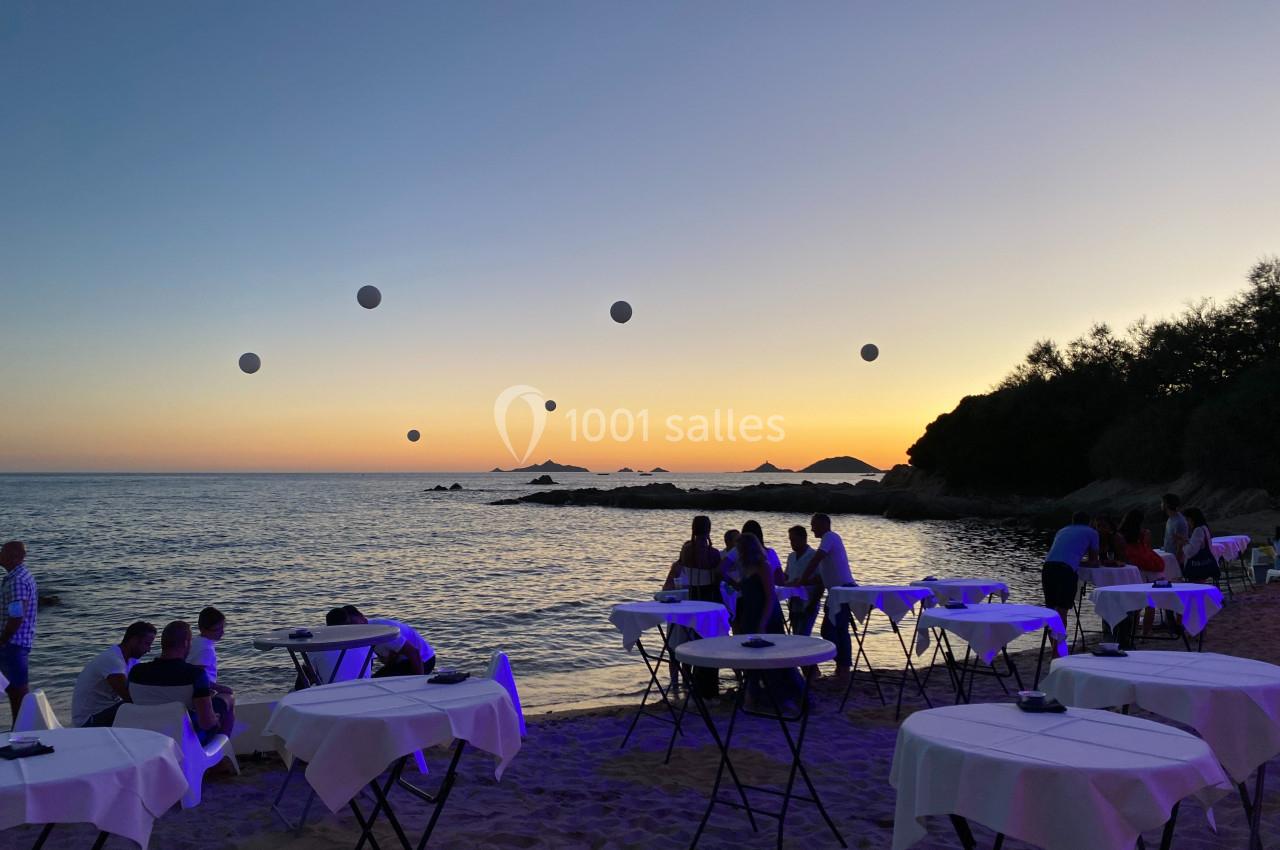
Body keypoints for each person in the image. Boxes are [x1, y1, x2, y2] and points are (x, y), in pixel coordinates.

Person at [128, 621, 231, 744]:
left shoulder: (136, 672)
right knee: (228, 698)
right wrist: (215, 718)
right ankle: (219, 755)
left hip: (146, 737)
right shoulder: (195, 675)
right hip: (184, 740)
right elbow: (206, 724)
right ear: (186, 643)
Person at [732, 534, 802, 711]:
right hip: (749, 614)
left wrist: (763, 622)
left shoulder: (764, 566)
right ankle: (751, 697)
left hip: (765, 615)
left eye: (740, 548)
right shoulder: (745, 567)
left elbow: (770, 596)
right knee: (751, 658)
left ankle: (786, 697)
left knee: (775, 659)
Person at [663, 516, 721, 698]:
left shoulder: (687, 550)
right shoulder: (714, 554)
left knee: (676, 645)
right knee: (697, 644)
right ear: (709, 530)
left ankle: (676, 684)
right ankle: (693, 682)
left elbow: (675, 577)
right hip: (706, 604)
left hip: (686, 605)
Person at [792, 514, 854, 678]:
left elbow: (815, 559)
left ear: (823, 524)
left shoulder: (829, 537)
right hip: (835, 591)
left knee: (834, 629)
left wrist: (803, 579)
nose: (812, 529)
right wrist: (805, 581)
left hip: (843, 590)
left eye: (814, 525)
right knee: (834, 630)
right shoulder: (828, 540)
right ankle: (842, 665)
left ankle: (843, 666)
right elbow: (823, 575)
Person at [71, 621, 156, 727]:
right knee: (138, 706)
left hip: (106, 711)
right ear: (134, 640)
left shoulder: (131, 660)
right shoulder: (113, 660)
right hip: (87, 722)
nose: (149, 650)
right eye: (147, 644)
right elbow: (130, 697)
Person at [1042, 512, 1100, 633]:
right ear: (1089, 522)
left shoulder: (1062, 530)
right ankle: (1058, 650)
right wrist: (1079, 562)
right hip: (1065, 569)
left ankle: (1055, 648)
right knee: (1062, 610)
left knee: (1051, 609)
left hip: (1048, 567)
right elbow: (1094, 561)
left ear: (1073, 521)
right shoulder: (1092, 532)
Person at [340, 605, 436, 676]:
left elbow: (414, 653)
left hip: (424, 660)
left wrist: (418, 682)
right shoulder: (363, 635)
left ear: (362, 617)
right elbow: (388, 659)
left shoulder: (381, 631)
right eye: (349, 626)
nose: (354, 628)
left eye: (354, 623)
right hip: (403, 661)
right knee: (374, 681)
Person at [0, 541, 37, 721]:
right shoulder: (19, 576)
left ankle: (22, 732)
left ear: (14, 557)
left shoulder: (17, 581)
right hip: (15, 643)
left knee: (18, 692)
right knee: (15, 690)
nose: (0, 555)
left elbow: (16, 616)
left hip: (13, 644)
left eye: (2, 552)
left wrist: (2, 640)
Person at [1116, 510, 1165, 637]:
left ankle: (1132, 632)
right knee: (1150, 602)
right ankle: (1146, 632)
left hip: (1133, 569)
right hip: (1148, 568)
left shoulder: (1120, 534)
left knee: (1135, 603)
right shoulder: (1144, 533)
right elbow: (1147, 548)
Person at [188, 606, 236, 710]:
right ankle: (221, 725)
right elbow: (198, 677)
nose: (222, 632)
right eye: (217, 629)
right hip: (202, 695)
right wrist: (220, 688)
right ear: (203, 629)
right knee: (229, 696)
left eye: (223, 627)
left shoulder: (195, 642)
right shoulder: (206, 649)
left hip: (193, 692)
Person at [782, 525, 820, 637]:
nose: (792, 543)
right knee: (795, 634)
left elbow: (820, 580)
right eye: (790, 540)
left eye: (794, 540)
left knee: (804, 634)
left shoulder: (813, 555)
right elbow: (786, 576)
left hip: (808, 601)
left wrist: (813, 602)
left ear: (803, 539)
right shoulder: (791, 556)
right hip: (794, 602)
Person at [1181, 508, 1220, 583]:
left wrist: (1184, 544)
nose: (1187, 523)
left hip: (1197, 568)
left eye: (1187, 519)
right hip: (1206, 563)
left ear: (1191, 519)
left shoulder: (1198, 530)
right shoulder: (1204, 528)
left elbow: (1190, 552)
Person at [1162, 493, 1189, 564]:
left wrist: (1175, 562)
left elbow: (1181, 544)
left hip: (1177, 561)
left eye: (1162, 502)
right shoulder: (1170, 518)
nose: (1161, 504)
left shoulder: (1179, 522)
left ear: (1167, 505)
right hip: (1169, 557)